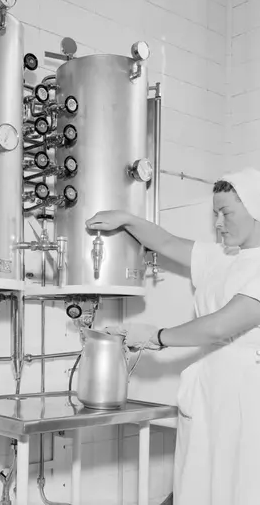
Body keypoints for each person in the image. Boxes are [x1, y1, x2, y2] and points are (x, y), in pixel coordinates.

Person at [85, 167, 260, 505]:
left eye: (226, 213)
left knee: (239, 484)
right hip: (209, 389)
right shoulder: (222, 257)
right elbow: (165, 242)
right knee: (199, 481)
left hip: (246, 395)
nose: (218, 223)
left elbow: (220, 325)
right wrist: (126, 219)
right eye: (215, 214)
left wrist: (157, 336)